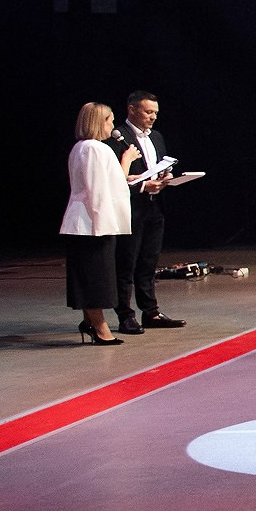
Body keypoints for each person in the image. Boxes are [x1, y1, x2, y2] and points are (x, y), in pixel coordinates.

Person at [61, 102, 136, 346]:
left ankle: (90, 322)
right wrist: (126, 161)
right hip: (93, 224)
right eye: (109, 120)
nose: (113, 125)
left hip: (87, 223)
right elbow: (98, 190)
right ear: (97, 122)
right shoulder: (94, 148)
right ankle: (100, 327)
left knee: (90, 275)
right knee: (96, 278)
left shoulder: (83, 148)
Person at [111, 89, 183, 332]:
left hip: (154, 207)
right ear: (132, 109)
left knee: (148, 262)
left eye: (155, 112)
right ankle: (125, 314)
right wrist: (143, 185)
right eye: (148, 112)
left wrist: (165, 176)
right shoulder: (117, 136)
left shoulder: (157, 137)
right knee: (126, 262)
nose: (153, 117)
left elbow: (156, 166)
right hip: (131, 207)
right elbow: (113, 178)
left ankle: (150, 312)